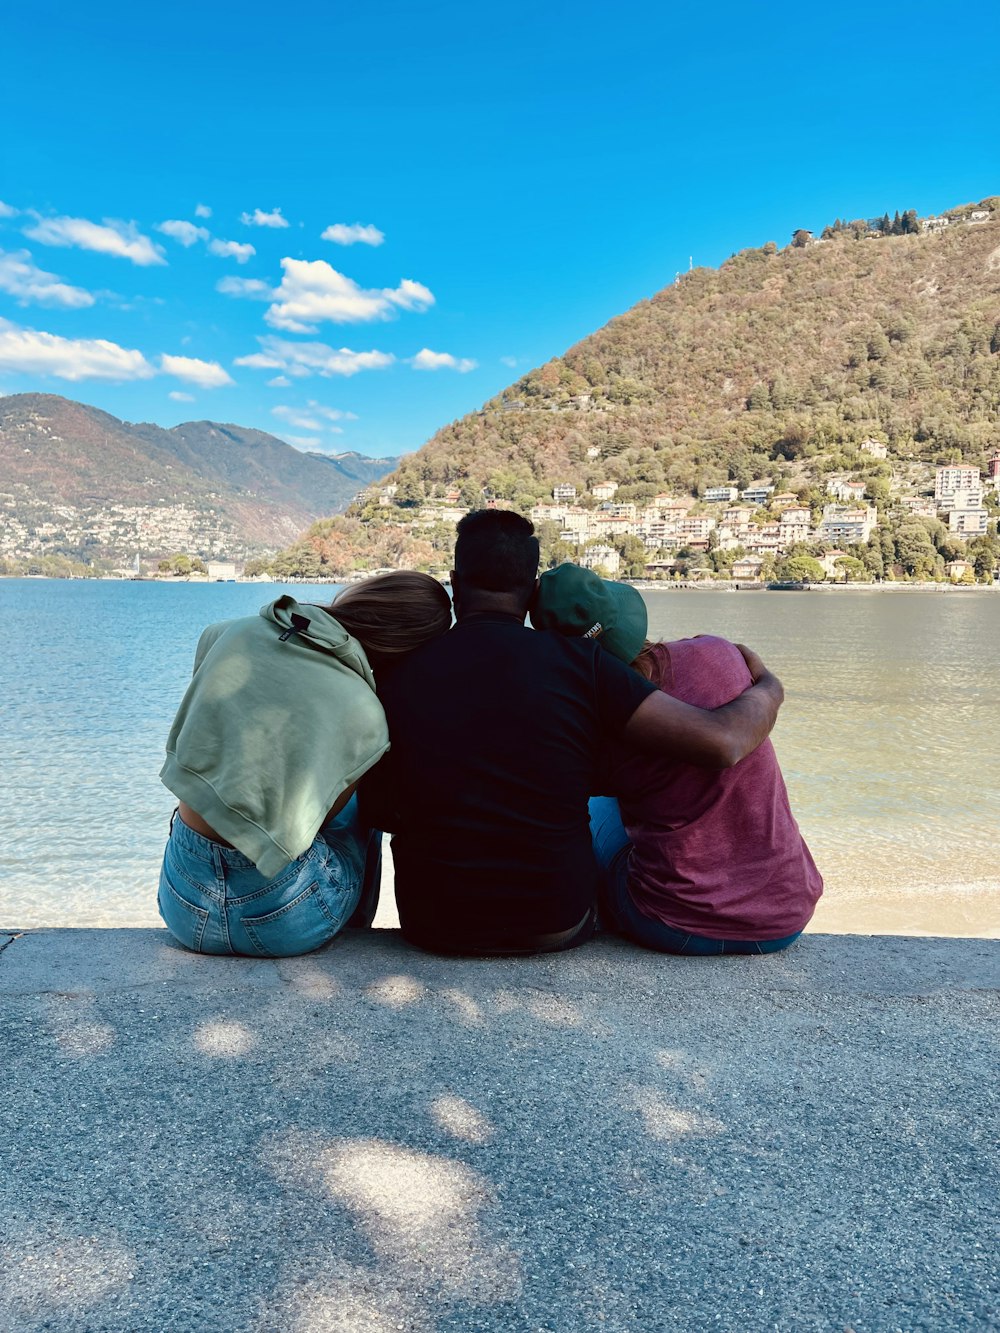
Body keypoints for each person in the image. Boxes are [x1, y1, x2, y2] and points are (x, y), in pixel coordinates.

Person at [360, 510, 786, 956]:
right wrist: (770, 690)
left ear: (453, 582)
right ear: (533, 589)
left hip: (434, 925)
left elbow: (381, 811)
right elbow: (722, 741)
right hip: (556, 923)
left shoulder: (399, 672)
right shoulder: (581, 662)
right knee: (604, 804)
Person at [532, 563, 823, 955]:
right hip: (785, 917)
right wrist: (771, 685)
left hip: (671, 923)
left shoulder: (595, 730)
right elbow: (747, 678)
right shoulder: (718, 653)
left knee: (595, 805)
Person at [157, 572, 452, 958]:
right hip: (287, 921)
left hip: (183, 907)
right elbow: (323, 823)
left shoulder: (227, 633)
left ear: (362, 596)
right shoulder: (367, 716)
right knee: (362, 803)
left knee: (210, 785)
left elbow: (207, 742)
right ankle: (353, 929)